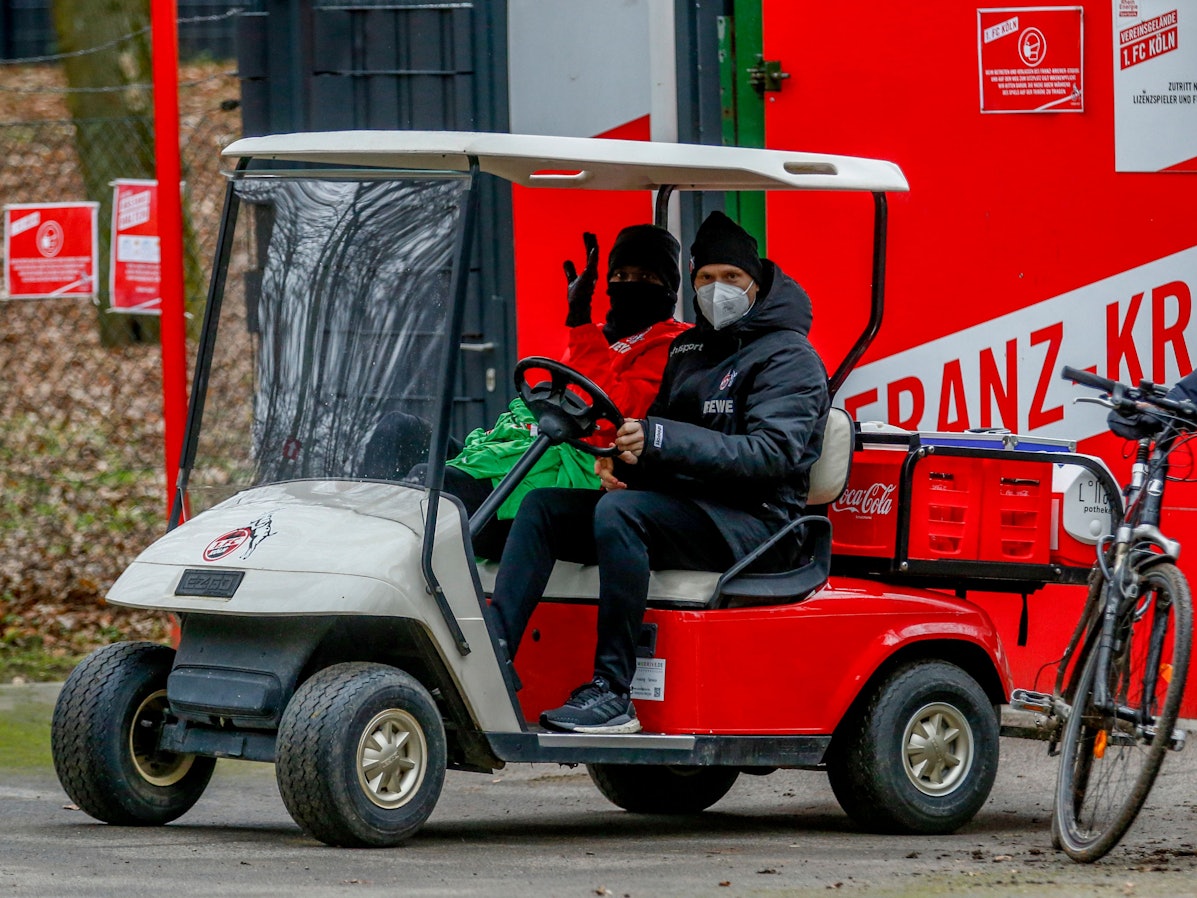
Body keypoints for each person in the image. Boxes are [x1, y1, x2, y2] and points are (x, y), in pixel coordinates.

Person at [489, 210, 831, 733]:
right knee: (545, 509)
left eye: (731, 278)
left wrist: (658, 441)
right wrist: (629, 460)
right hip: (692, 510)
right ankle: (490, 660)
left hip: (757, 523)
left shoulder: (789, 356)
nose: (718, 289)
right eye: (706, 278)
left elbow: (771, 454)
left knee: (623, 514)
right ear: (691, 285)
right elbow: (664, 440)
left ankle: (613, 691)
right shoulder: (691, 349)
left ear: (756, 285)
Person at [367, 224, 690, 559]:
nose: (629, 286)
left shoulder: (673, 346)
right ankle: (352, 555)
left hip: (573, 480)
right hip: (525, 454)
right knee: (398, 430)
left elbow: (616, 418)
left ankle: (383, 573)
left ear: (668, 286)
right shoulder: (596, 334)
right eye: (620, 276)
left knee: (429, 486)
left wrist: (579, 323)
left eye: (645, 278)